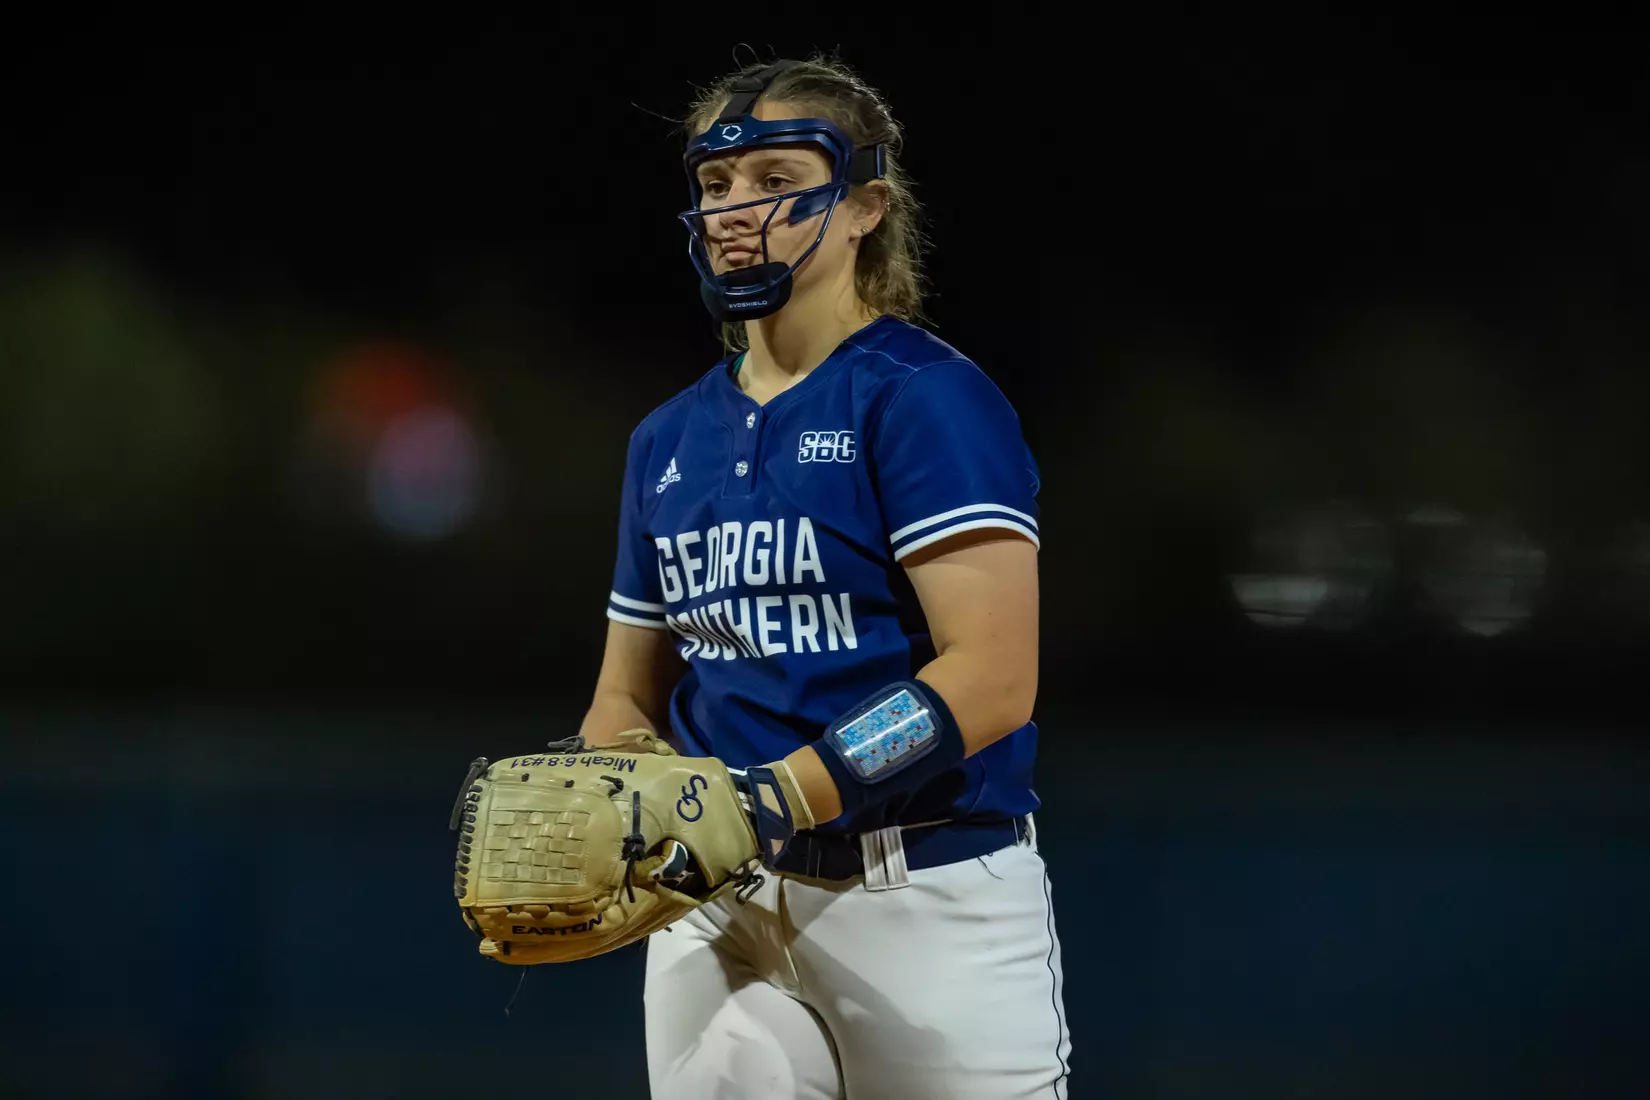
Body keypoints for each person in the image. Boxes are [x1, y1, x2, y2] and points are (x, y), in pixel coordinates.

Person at [579, 54, 1071, 1099]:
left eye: (775, 177)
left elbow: (991, 675)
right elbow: (624, 695)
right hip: (721, 904)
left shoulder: (923, 398)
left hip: (924, 894)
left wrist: (773, 795)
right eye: (716, 185)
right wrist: (645, 793)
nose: (735, 210)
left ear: (864, 208)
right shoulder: (666, 440)